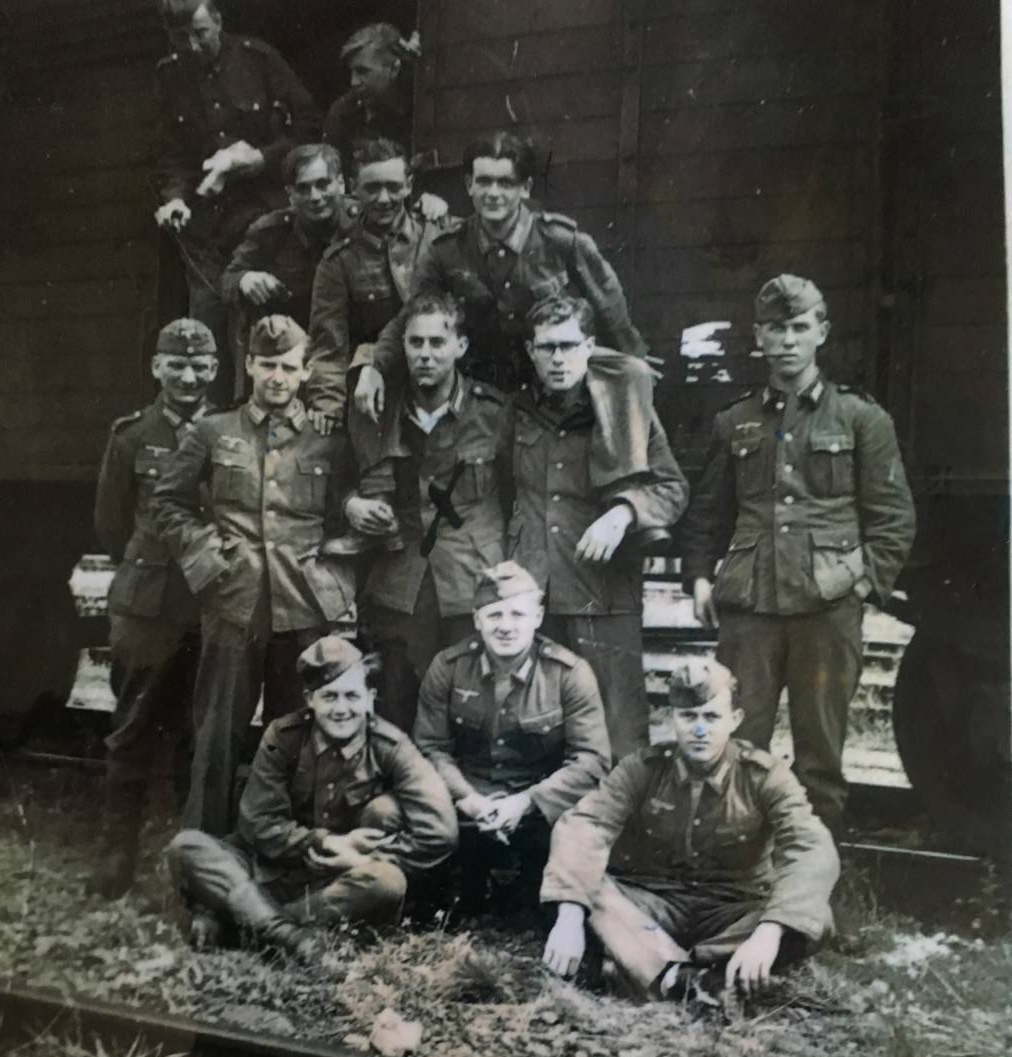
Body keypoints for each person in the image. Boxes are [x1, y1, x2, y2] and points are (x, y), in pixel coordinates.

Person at [679, 275, 916, 836]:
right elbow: (708, 513)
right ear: (759, 336)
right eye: (776, 328)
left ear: (821, 333)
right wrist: (699, 577)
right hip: (750, 605)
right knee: (738, 743)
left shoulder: (861, 418)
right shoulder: (734, 421)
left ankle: (815, 869)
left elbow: (893, 518)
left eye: (800, 327)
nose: (788, 340)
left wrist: (861, 587)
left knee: (820, 756)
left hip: (826, 608)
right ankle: (738, 862)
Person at [152, 315, 355, 837]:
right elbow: (168, 502)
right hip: (234, 603)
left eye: (288, 367)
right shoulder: (214, 431)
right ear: (248, 366)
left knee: (297, 735)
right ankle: (203, 851)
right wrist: (210, 561)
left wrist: (332, 579)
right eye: (267, 365)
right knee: (217, 736)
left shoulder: (329, 440)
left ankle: (285, 850)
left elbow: (348, 515)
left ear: (306, 372)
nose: (277, 377)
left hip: (303, 606)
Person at [540, 659, 840, 1002]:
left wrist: (768, 931)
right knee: (589, 889)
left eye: (711, 717)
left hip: (733, 910)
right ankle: (694, 978)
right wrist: (569, 915)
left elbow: (809, 846)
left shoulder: (764, 776)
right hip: (655, 904)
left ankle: (649, 964)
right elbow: (587, 824)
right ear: (672, 718)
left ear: (735, 720)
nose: (699, 730)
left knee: (812, 918)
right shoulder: (643, 768)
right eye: (688, 716)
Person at [169, 635, 458, 956]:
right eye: (329, 696)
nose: (341, 709)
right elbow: (258, 824)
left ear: (370, 698)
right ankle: (290, 936)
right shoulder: (283, 737)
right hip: (270, 869)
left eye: (352, 696)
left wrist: (366, 859)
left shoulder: (391, 746)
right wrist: (325, 841)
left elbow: (440, 830)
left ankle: (254, 923)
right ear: (310, 700)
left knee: (388, 881)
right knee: (187, 847)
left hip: (334, 884)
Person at [354, 131, 649, 419]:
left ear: (525, 188)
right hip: (481, 398)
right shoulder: (446, 250)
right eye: (484, 181)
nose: (493, 193)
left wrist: (634, 367)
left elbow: (611, 313)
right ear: (469, 185)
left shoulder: (562, 242)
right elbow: (411, 315)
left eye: (505, 183)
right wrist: (374, 366)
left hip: (551, 393)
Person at [511, 294, 689, 758]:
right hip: (536, 596)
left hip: (604, 594)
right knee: (541, 730)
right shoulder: (517, 412)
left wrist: (623, 512)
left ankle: (622, 809)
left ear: (590, 347)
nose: (558, 358)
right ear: (531, 351)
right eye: (547, 347)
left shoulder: (624, 409)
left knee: (619, 733)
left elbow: (672, 488)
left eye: (569, 345)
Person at [87, 319, 219, 899]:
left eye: (199, 365)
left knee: (198, 734)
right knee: (132, 731)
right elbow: (112, 523)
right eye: (176, 364)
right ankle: (117, 855)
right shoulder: (131, 435)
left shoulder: (227, 430)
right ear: (157, 367)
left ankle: (194, 863)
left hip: (206, 604)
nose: (188, 376)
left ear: (215, 369)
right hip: (146, 607)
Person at [345, 291, 509, 731]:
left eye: (438, 342)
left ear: (461, 346)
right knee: (398, 709)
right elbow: (340, 473)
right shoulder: (377, 410)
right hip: (401, 586)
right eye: (415, 342)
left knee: (470, 712)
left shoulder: (494, 414)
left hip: (471, 582)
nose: (425, 354)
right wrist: (351, 503)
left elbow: (519, 496)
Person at [414, 562, 610, 909]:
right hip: (468, 802)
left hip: (539, 806)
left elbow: (592, 761)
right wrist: (468, 798)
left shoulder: (569, 673)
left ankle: (534, 891)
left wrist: (525, 802)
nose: (506, 626)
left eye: (517, 614)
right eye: (494, 615)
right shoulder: (448, 667)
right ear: (477, 619)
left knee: (580, 831)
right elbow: (430, 747)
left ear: (538, 617)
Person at [153, 0, 320, 398]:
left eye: (200, 34)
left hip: (264, 221)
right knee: (207, 335)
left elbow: (310, 128)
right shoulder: (169, 76)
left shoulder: (258, 59)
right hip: (207, 231)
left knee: (268, 332)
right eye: (180, 38)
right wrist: (175, 198)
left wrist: (261, 159)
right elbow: (170, 152)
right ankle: (213, 424)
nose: (192, 46)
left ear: (218, 22)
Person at [307, 138, 450, 435]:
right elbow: (329, 344)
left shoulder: (438, 236)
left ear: (409, 185)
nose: (384, 199)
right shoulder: (339, 260)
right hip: (377, 388)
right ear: (353, 187)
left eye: (394, 187)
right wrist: (327, 404)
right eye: (372, 188)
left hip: (443, 378)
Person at [221, 143, 359, 391]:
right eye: (303, 188)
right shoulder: (272, 231)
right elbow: (228, 279)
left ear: (341, 183)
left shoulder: (364, 222)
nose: (315, 197)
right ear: (290, 194)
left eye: (323, 184)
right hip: (293, 357)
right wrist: (245, 279)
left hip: (352, 352)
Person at [322, 22, 417, 174]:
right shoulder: (342, 113)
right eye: (352, 72)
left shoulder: (419, 106)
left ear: (394, 69)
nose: (354, 82)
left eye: (363, 71)